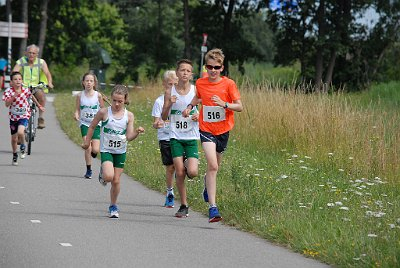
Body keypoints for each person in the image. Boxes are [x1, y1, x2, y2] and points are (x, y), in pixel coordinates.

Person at [183, 48, 243, 223]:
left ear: (222, 67)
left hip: (223, 130)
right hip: (206, 129)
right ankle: (213, 208)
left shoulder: (229, 84)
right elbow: (197, 98)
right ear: (205, 67)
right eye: (209, 67)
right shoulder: (201, 83)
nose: (213, 70)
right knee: (213, 165)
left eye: (216, 67)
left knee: (214, 167)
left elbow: (239, 106)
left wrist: (224, 104)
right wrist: (189, 107)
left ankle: (206, 185)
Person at [82, 85, 144, 218]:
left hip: (120, 151)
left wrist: (137, 132)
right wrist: (87, 142)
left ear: (125, 100)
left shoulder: (129, 116)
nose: (116, 104)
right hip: (107, 150)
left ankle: (113, 206)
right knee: (109, 177)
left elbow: (129, 137)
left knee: (116, 181)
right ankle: (103, 173)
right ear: (111, 98)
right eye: (114, 100)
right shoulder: (104, 112)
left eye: (120, 101)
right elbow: (92, 126)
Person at [161, 59, 200, 218]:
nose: (184, 73)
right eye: (182, 70)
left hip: (191, 137)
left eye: (188, 71)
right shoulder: (170, 92)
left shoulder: (196, 91)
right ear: (177, 73)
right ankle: (184, 205)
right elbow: (163, 117)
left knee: (193, 172)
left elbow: (202, 111)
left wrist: (198, 116)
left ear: (191, 75)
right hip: (175, 136)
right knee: (180, 171)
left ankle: (185, 166)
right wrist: (170, 104)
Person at [2, 71, 44, 165]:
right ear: (11, 82)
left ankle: (23, 147)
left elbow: (31, 96)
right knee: (14, 139)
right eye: (15, 79)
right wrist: (13, 97)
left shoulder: (25, 90)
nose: (18, 81)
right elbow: (6, 104)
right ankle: (14, 155)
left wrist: (39, 105)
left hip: (24, 115)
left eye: (20, 79)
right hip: (13, 117)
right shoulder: (8, 91)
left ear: (22, 81)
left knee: (21, 132)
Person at [152, 70, 178, 208]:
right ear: (164, 84)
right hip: (165, 137)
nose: (172, 87)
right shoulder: (159, 101)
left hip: (180, 136)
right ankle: (170, 192)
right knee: (171, 167)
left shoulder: (183, 99)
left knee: (183, 167)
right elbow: (156, 122)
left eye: (175, 84)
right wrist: (158, 124)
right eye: (170, 84)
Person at [13, 44, 54, 129]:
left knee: (41, 97)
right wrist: (15, 81)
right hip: (23, 86)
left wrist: (49, 82)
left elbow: (47, 73)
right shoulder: (21, 61)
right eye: (29, 53)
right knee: (18, 100)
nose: (31, 55)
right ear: (26, 53)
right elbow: (14, 72)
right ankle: (18, 118)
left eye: (33, 53)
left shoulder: (41, 62)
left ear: (37, 54)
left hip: (36, 86)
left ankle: (41, 118)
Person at [74, 72, 105, 179]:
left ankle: (93, 153)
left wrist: (104, 119)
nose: (88, 83)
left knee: (95, 150)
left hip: (96, 124)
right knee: (87, 147)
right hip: (84, 124)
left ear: (94, 83)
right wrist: (76, 115)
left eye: (91, 81)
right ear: (83, 82)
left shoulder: (98, 95)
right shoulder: (79, 95)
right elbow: (77, 109)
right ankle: (89, 170)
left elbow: (102, 109)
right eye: (86, 80)